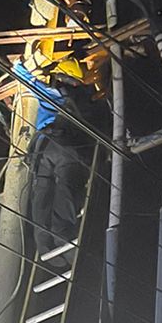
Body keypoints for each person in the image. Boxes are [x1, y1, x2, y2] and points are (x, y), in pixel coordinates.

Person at [27, 69, 97, 255]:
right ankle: (63, 239)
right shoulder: (90, 103)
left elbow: (27, 78)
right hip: (69, 151)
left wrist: (21, 66)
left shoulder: (53, 96)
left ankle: (43, 242)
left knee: (42, 193)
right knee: (65, 192)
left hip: (44, 148)